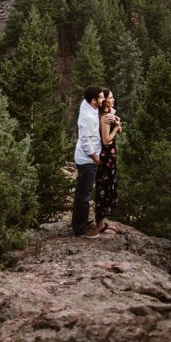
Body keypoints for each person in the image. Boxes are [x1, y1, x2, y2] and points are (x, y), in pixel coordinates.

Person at [71, 85, 104, 238]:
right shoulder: (88, 117)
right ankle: (80, 228)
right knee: (84, 194)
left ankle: (81, 221)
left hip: (87, 159)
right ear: (93, 101)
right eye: (101, 98)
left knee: (83, 192)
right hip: (87, 160)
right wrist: (95, 158)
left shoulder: (88, 106)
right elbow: (85, 141)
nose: (103, 100)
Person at [95, 89, 121, 234]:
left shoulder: (110, 115)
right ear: (104, 101)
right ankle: (99, 223)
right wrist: (116, 126)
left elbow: (120, 130)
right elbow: (106, 140)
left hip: (110, 156)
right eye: (111, 97)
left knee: (108, 186)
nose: (113, 99)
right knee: (103, 188)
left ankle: (103, 222)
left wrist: (117, 122)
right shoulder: (104, 118)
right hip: (105, 156)